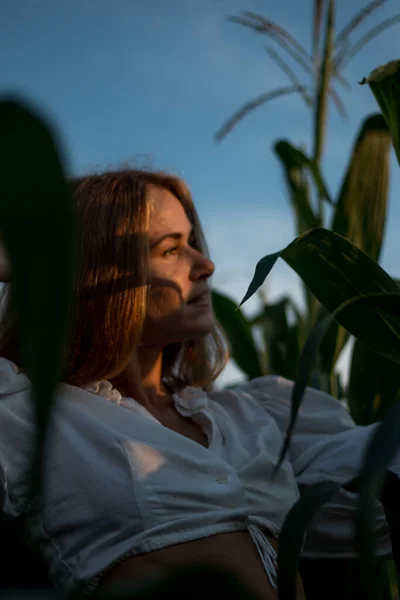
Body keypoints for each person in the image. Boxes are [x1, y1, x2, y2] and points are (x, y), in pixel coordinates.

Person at [0, 169, 395, 600]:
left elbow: (378, 490)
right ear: (92, 270)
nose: (205, 265)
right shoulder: (37, 417)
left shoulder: (258, 412)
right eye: (170, 249)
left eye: (191, 242)